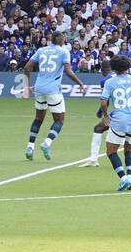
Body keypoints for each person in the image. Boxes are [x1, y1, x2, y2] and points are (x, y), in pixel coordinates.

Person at [20, 31, 84, 161]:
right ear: (60, 40)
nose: (64, 39)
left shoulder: (41, 50)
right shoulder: (63, 52)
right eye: (63, 38)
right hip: (53, 90)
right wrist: (80, 83)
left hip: (38, 88)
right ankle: (47, 143)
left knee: (38, 118)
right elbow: (68, 71)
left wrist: (26, 86)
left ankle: (30, 147)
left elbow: (27, 68)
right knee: (59, 120)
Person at [99, 55, 131, 192]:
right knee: (128, 149)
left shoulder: (110, 82)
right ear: (128, 66)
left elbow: (103, 102)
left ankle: (123, 178)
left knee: (111, 151)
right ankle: (130, 177)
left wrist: (105, 116)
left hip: (119, 119)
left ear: (113, 68)